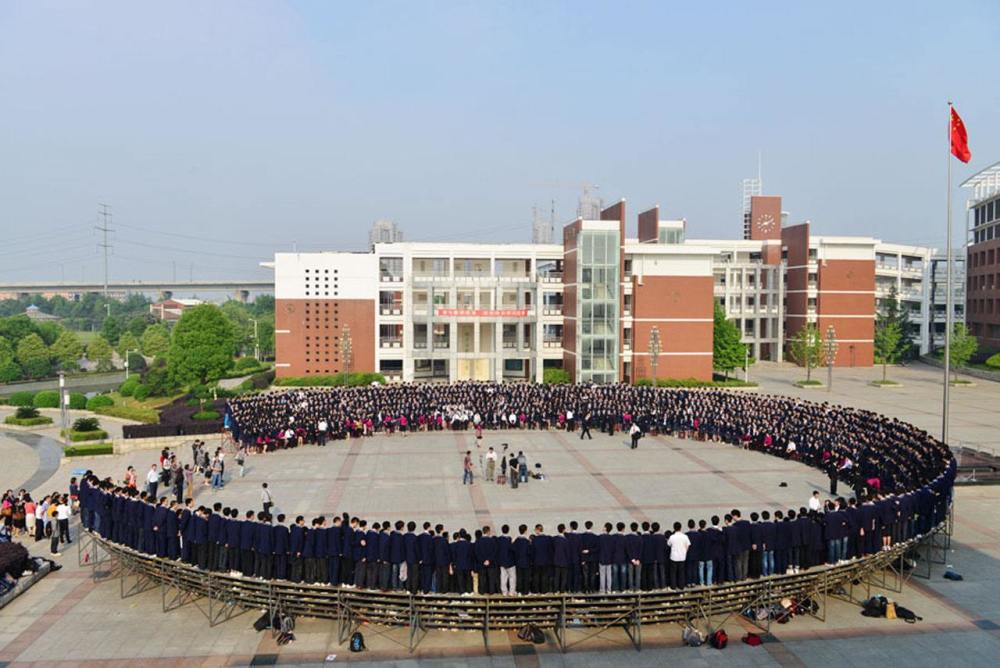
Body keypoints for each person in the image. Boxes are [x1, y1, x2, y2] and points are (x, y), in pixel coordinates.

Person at [666, 522, 690, 589]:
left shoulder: (672, 537)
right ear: (680, 527)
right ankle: (681, 586)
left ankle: (673, 586)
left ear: (674, 528)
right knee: (681, 573)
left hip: (673, 557)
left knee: (673, 573)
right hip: (682, 557)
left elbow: (668, 545)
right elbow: (688, 545)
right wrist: (685, 552)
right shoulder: (685, 536)